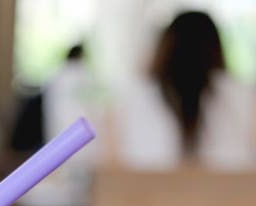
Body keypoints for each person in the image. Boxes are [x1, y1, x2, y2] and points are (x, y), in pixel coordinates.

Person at [109, 11, 256, 169]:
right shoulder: (243, 95)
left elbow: (114, 164)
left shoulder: (134, 96)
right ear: (216, 48)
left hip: (147, 192)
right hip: (230, 192)